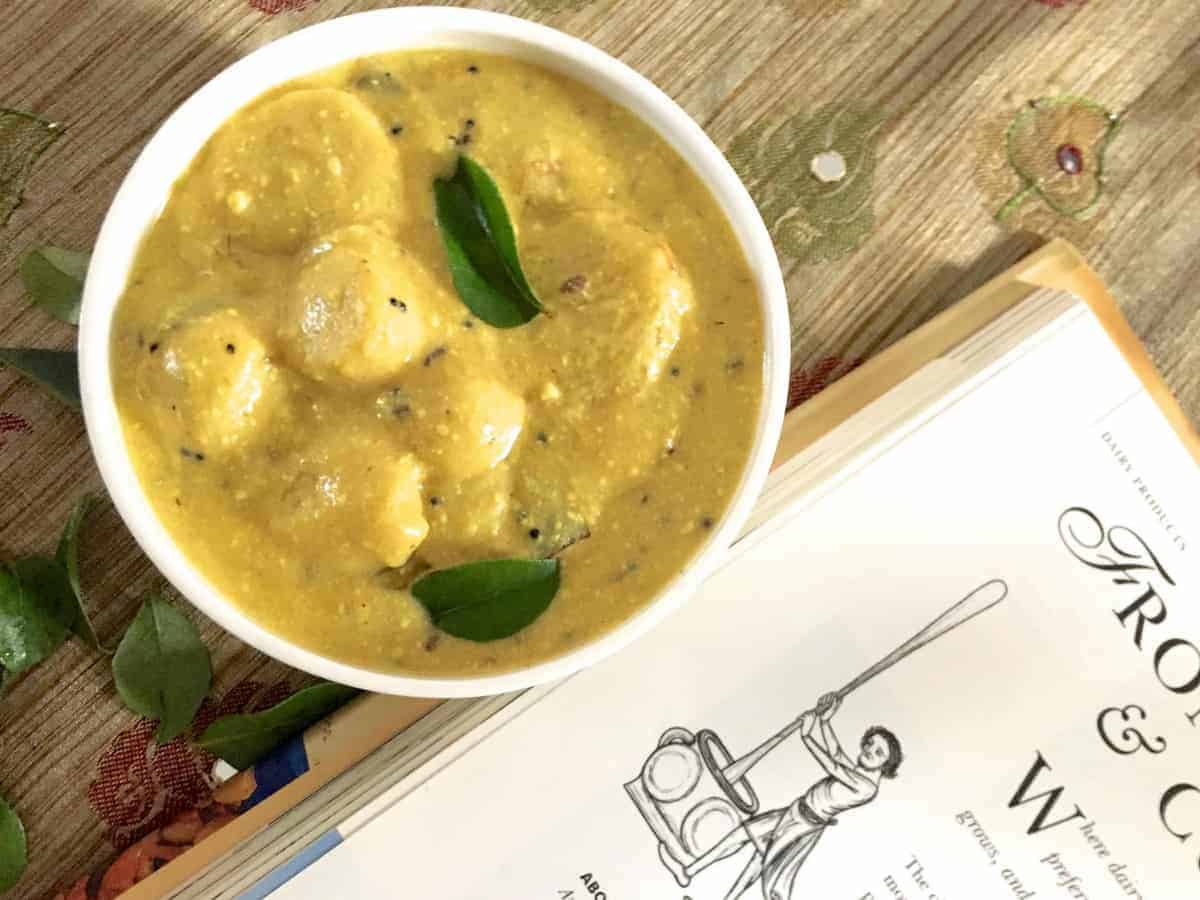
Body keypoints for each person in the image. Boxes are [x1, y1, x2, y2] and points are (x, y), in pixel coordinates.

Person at [658, 693, 903, 900]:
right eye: (869, 743)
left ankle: (690, 871)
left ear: (886, 764)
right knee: (749, 843)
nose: (869, 750)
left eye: (878, 751)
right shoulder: (863, 775)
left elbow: (833, 767)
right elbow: (837, 753)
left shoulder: (867, 787)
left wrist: (807, 736)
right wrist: (825, 722)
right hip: (796, 812)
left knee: (755, 852)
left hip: (803, 825)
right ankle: (689, 871)